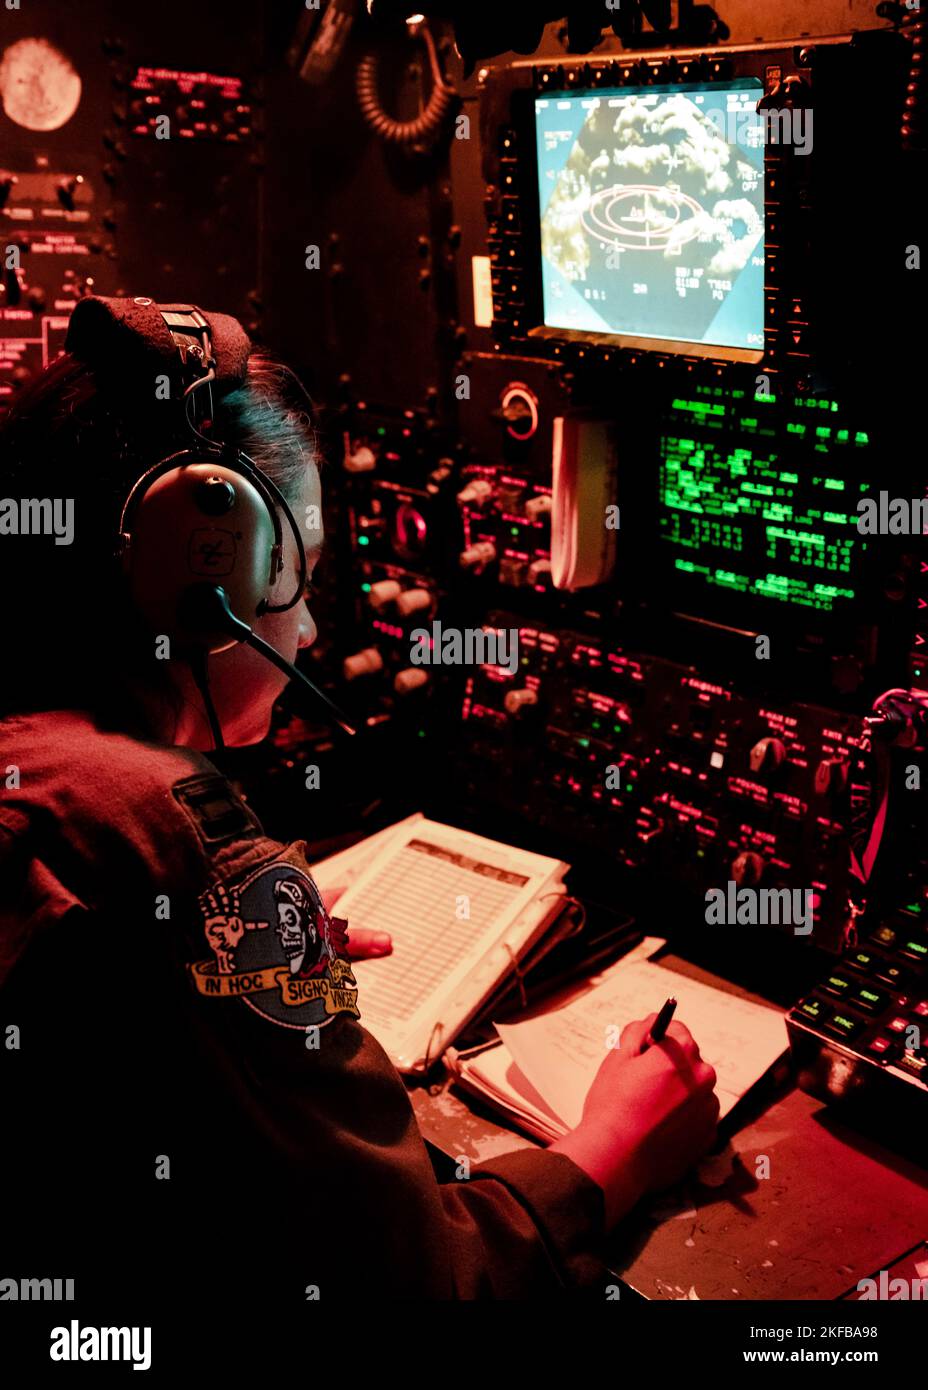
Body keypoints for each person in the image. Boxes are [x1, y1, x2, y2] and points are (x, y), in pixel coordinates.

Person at [0, 297, 719, 1306]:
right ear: (204, 580)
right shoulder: (168, 825)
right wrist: (613, 1150)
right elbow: (412, 1290)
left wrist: (218, 985)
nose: (304, 631)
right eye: (298, 571)